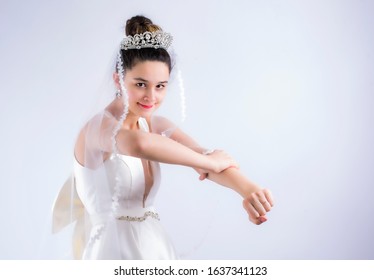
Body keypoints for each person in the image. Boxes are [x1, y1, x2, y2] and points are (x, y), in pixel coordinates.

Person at [52, 15, 274, 260]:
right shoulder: (98, 129)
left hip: (154, 246)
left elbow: (204, 156)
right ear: (118, 79)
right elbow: (139, 144)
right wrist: (208, 162)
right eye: (140, 84)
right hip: (112, 252)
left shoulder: (155, 125)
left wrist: (249, 191)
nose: (151, 96)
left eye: (160, 86)